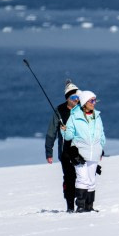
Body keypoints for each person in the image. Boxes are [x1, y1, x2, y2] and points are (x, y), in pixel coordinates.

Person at [60, 90, 106, 213]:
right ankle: (80, 206)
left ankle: (89, 206)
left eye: (95, 100)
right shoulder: (74, 117)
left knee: (91, 180)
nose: (94, 103)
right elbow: (69, 136)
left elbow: (101, 134)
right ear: (85, 102)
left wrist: (101, 148)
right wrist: (64, 130)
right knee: (82, 179)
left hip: (94, 153)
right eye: (91, 100)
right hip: (79, 154)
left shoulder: (97, 116)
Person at [45, 80, 82, 212]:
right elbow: (51, 132)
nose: (76, 100)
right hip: (65, 152)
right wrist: (49, 152)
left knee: (82, 179)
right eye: (73, 97)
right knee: (69, 178)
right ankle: (70, 206)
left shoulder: (82, 109)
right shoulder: (59, 111)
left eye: (78, 97)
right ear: (67, 98)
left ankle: (82, 205)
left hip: (81, 151)